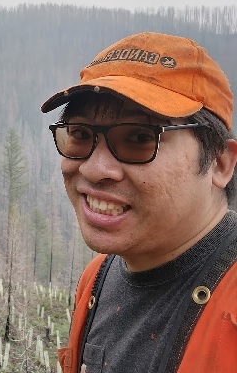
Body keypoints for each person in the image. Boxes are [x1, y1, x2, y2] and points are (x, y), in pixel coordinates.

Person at [40, 32, 237, 372]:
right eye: (80, 135)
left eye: (140, 138)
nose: (95, 168)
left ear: (220, 163)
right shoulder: (98, 278)